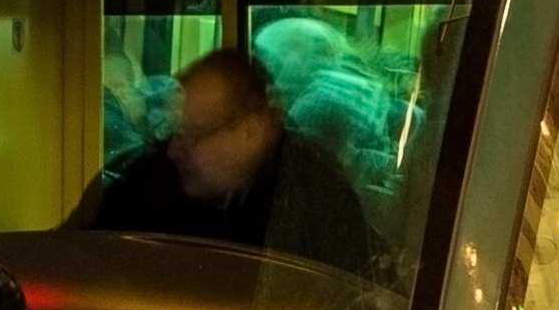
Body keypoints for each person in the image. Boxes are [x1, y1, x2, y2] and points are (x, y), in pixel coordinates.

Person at [75, 44, 386, 276]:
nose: (173, 150)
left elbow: (358, 306)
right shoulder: (148, 181)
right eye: (174, 130)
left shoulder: (317, 195)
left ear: (251, 131)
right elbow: (85, 269)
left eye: (193, 135)